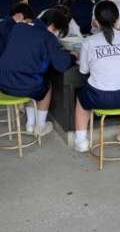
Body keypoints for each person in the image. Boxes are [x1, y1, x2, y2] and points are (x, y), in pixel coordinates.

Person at [74, 1, 120, 152]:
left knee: (81, 101)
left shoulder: (89, 42)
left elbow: (83, 71)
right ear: (118, 20)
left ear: (96, 22)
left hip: (100, 98)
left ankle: (81, 141)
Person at [0, 8, 73, 136]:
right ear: (52, 25)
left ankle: (30, 124)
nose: (57, 34)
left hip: (3, 83)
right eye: (58, 31)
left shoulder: (18, 27)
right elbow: (61, 65)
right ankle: (40, 126)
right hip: (23, 86)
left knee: (30, 78)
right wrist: (72, 56)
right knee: (44, 84)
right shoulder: (47, 36)